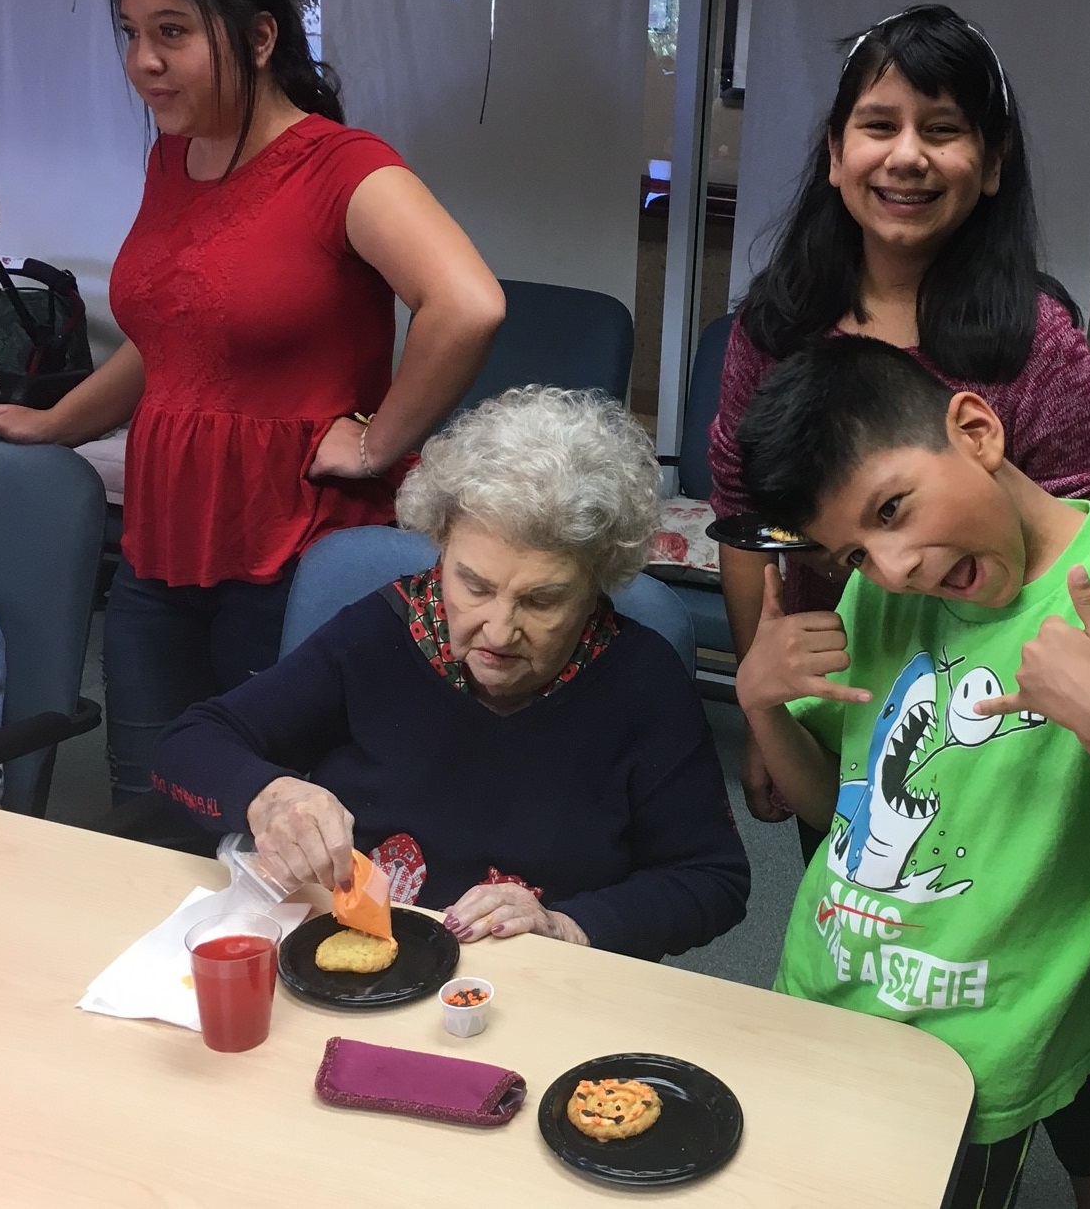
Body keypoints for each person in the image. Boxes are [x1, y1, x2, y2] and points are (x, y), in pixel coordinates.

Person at [733, 338, 1090, 1209]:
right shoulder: (883, 596)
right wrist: (758, 707)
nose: (896, 565)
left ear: (977, 429)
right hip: (824, 988)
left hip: (977, 1052)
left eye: (892, 509)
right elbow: (837, 804)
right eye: (855, 553)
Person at [0, 0, 505, 804]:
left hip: (294, 550)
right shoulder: (172, 159)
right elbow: (175, 344)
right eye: (132, 33)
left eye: (173, 32)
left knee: (283, 815)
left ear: (259, 35)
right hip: (162, 545)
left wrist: (379, 442)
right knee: (155, 799)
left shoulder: (340, 166)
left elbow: (465, 306)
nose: (143, 62)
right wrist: (53, 422)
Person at [707, 4, 1090, 844]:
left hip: (997, 711)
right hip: (841, 696)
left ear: (989, 166)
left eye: (942, 129)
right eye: (878, 125)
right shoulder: (774, 329)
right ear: (835, 155)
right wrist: (771, 701)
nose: (906, 155)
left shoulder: (1035, 341)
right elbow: (749, 528)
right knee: (852, 919)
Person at [151, 387, 750, 960]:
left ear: (597, 582)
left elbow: (711, 879)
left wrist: (570, 927)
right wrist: (269, 795)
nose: (497, 630)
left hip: (543, 984)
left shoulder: (641, 679)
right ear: (440, 550)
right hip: (372, 962)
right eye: (474, 585)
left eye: (541, 601)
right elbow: (189, 745)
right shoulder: (380, 634)